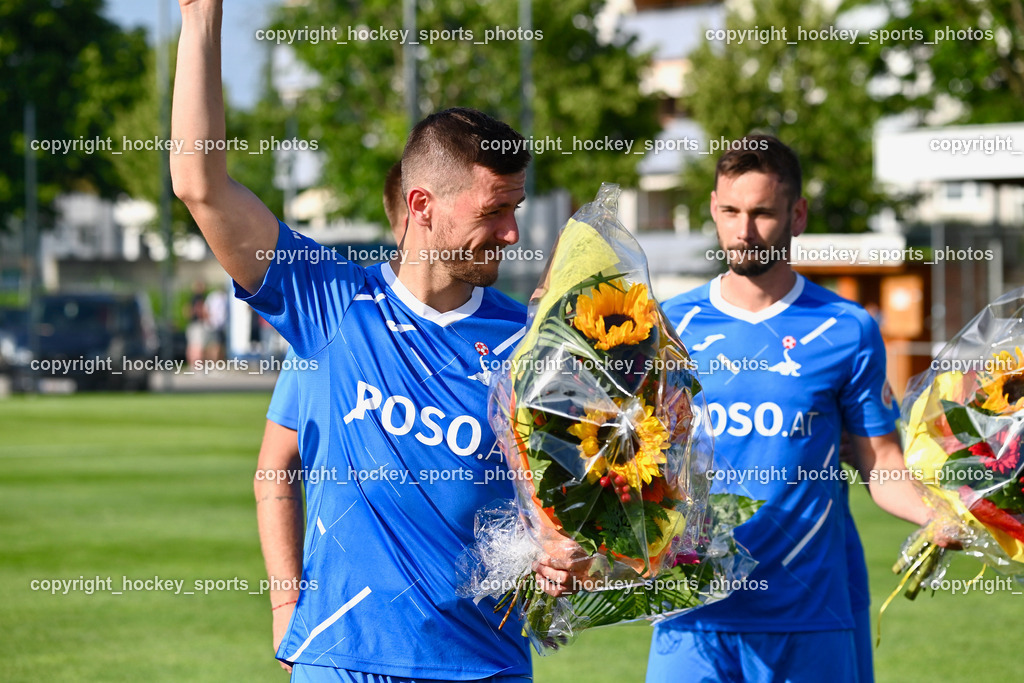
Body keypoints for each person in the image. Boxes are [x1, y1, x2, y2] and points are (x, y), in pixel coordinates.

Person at [171, 3, 576, 679]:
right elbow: (199, 184)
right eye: (493, 210)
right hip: (345, 660)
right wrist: (199, 19)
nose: (512, 233)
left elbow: (570, 511)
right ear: (422, 207)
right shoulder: (330, 302)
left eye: (517, 209)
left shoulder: (529, 341)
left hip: (486, 665)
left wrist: (568, 554)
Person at [647, 135, 952, 683]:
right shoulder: (670, 325)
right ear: (713, 211)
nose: (743, 231)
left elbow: (881, 463)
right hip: (691, 612)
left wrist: (946, 514)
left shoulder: (847, 328)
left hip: (810, 608)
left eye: (762, 213)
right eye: (729, 211)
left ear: (798, 214)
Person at [254, 167, 410, 674]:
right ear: (408, 214)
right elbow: (276, 463)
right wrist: (284, 605)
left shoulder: (509, 331)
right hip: (343, 647)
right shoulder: (332, 327)